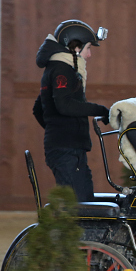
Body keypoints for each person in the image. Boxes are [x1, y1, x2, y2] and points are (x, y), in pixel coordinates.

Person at [33, 20, 110, 202]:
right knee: (78, 208)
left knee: (85, 203)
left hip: (69, 149)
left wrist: (59, 130)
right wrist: (101, 110)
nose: (89, 55)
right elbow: (64, 105)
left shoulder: (56, 68)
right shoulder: (63, 70)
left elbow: (39, 108)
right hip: (67, 151)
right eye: (88, 48)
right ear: (75, 47)